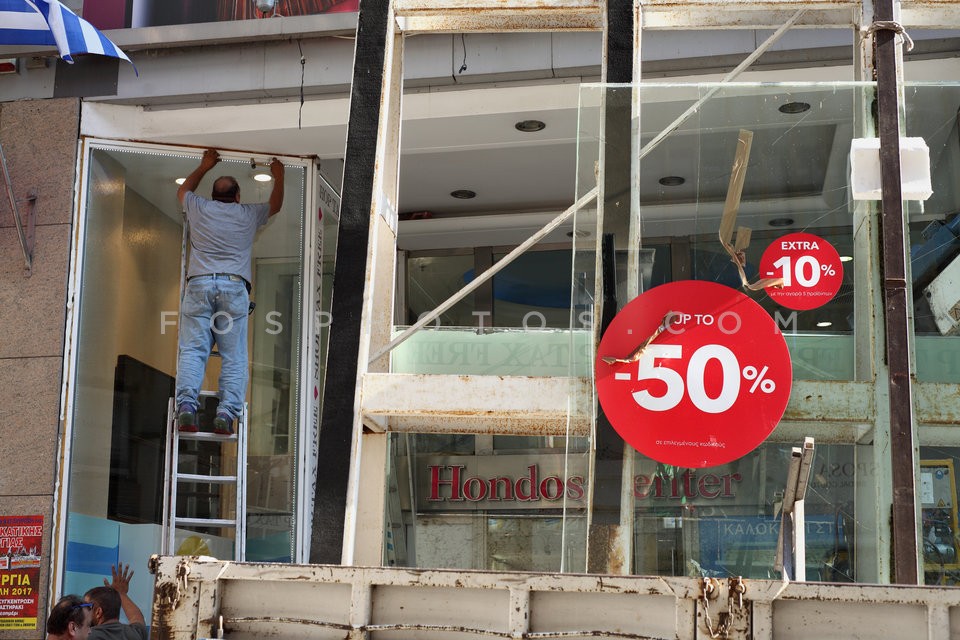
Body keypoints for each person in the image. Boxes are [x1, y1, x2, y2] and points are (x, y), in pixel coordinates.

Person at [175, 148, 285, 435]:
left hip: (199, 285)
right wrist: (279, 175)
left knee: (193, 351)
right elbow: (275, 205)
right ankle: (226, 413)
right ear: (237, 196)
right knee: (233, 355)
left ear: (213, 196)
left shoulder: (199, 207)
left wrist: (205, 165)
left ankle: (186, 406)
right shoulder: (247, 213)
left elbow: (183, 191)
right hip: (233, 287)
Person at [83, 564, 147, 640]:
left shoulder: (84, 636)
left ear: (98, 612)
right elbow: (137, 617)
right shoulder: (135, 634)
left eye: (86, 607)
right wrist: (121, 593)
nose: (81, 612)